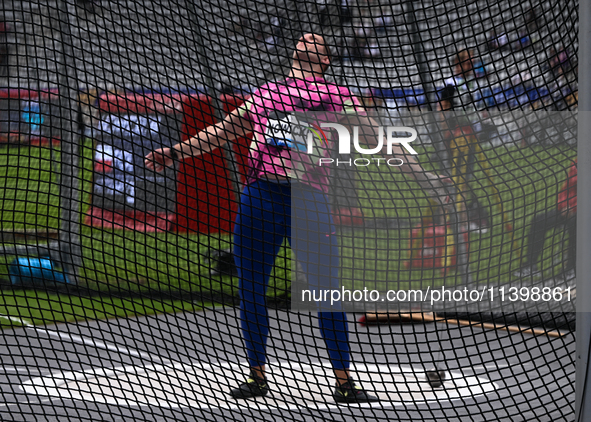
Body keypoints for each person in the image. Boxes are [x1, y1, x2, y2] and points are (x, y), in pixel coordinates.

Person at [145, 33, 447, 403]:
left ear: (323, 60)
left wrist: (425, 176)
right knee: (250, 288)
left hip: (309, 201)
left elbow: (382, 141)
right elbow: (221, 132)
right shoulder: (265, 94)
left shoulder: (340, 99)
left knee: (326, 291)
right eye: (303, 38)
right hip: (261, 196)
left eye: (316, 41)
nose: (306, 39)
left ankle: (344, 382)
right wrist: (175, 152)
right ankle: (256, 376)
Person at [513, 159, 577, 279]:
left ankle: (572, 268)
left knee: (576, 224)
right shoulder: (579, 162)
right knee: (539, 221)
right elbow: (567, 188)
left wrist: (574, 207)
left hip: (582, 211)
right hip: (569, 209)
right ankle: (531, 266)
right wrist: (564, 205)